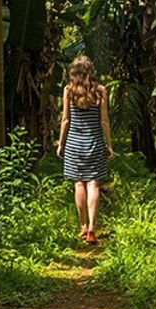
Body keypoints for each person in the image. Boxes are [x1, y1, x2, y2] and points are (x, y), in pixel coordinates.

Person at [56, 55, 115, 244]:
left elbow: (65, 120)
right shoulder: (100, 91)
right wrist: (109, 144)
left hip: (74, 144)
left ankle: (82, 225)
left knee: (79, 184)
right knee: (93, 184)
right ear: (91, 71)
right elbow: (104, 121)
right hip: (95, 142)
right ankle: (92, 226)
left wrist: (61, 143)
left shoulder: (68, 91)